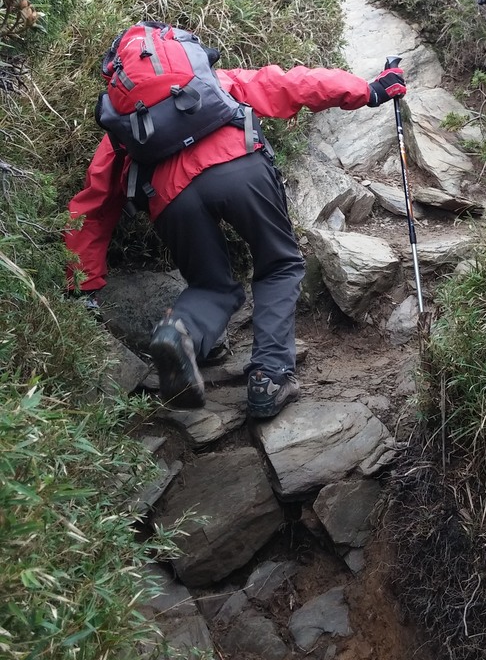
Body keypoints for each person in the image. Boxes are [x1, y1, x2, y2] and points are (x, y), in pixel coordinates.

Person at [66, 28, 407, 419]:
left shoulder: (124, 130)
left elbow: (92, 208)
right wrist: (369, 90)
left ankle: (183, 334)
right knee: (279, 264)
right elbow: (288, 84)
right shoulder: (210, 83)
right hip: (240, 168)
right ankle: (269, 377)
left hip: (171, 198)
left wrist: (81, 284)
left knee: (211, 285)